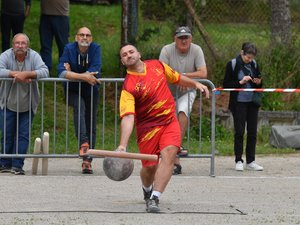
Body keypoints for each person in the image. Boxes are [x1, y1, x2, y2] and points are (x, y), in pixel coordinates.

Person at [118, 44, 209, 213]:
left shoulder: (157, 65)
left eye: (131, 51)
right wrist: (122, 146)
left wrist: (195, 84)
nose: (128, 55)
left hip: (169, 122)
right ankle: (147, 189)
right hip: (147, 129)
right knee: (150, 167)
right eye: (124, 55)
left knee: (169, 154)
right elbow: (129, 117)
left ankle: (154, 198)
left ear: (139, 53)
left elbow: (176, 77)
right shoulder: (128, 87)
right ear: (123, 62)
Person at [159, 26, 207, 175]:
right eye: (181, 38)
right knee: (167, 121)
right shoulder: (167, 50)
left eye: (186, 37)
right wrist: (181, 80)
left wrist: (184, 79)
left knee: (183, 111)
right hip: (167, 90)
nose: (184, 40)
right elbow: (161, 72)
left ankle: (176, 147)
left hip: (188, 89)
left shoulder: (197, 50)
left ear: (191, 39)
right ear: (175, 39)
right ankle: (174, 160)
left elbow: (203, 72)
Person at [0, 33, 49, 175]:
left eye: (23, 43)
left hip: (28, 105)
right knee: (7, 135)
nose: (20, 46)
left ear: (27, 46)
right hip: (7, 104)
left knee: (23, 136)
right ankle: (4, 164)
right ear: (12, 45)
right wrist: (15, 74)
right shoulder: (5, 55)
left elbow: (45, 71)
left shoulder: (34, 56)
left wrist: (27, 74)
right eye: (17, 43)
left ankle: (17, 165)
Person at [57, 27, 101, 174]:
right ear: (76, 38)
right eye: (81, 35)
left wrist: (73, 73)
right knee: (79, 107)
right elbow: (61, 72)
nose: (84, 37)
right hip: (72, 90)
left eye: (88, 35)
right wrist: (84, 76)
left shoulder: (95, 48)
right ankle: (83, 142)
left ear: (91, 38)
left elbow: (96, 69)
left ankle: (87, 161)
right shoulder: (69, 48)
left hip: (91, 90)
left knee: (91, 121)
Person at [223, 42, 263, 172]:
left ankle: (251, 161)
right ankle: (239, 160)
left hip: (253, 102)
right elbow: (226, 84)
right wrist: (241, 82)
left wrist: (258, 82)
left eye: (252, 57)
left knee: (252, 132)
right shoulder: (233, 64)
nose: (250, 60)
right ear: (242, 53)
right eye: (248, 57)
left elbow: (259, 82)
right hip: (238, 103)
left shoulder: (254, 64)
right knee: (239, 131)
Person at [39, 0, 69, 73]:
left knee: (63, 46)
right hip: (45, 15)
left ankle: (64, 70)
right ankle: (45, 70)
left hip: (61, 16)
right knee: (45, 46)